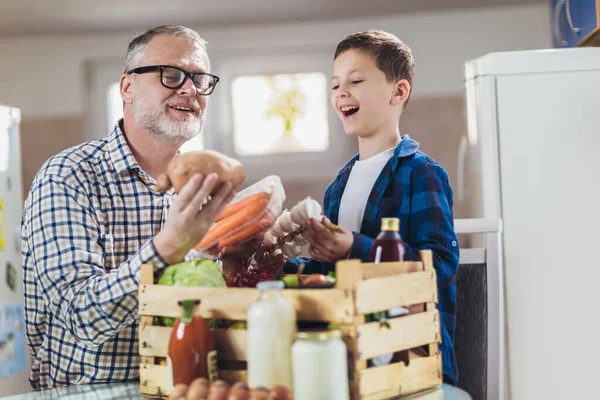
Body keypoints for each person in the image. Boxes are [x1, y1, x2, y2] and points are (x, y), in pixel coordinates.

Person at [20, 24, 282, 390]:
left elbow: (196, 306)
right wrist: (167, 248)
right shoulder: (69, 176)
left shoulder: (201, 185)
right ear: (128, 87)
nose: (190, 89)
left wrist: (235, 263)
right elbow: (79, 317)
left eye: (200, 79)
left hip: (189, 389)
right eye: (172, 75)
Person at [285, 30, 460, 385]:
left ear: (399, 91)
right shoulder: (338, 186)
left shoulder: (421, 173)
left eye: (356, 80)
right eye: (335, 85)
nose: (341, 93)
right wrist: (278, 264)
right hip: (352, 360)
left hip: (410, 360)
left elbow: (439, 267)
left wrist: (355, 247)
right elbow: (327, 272)